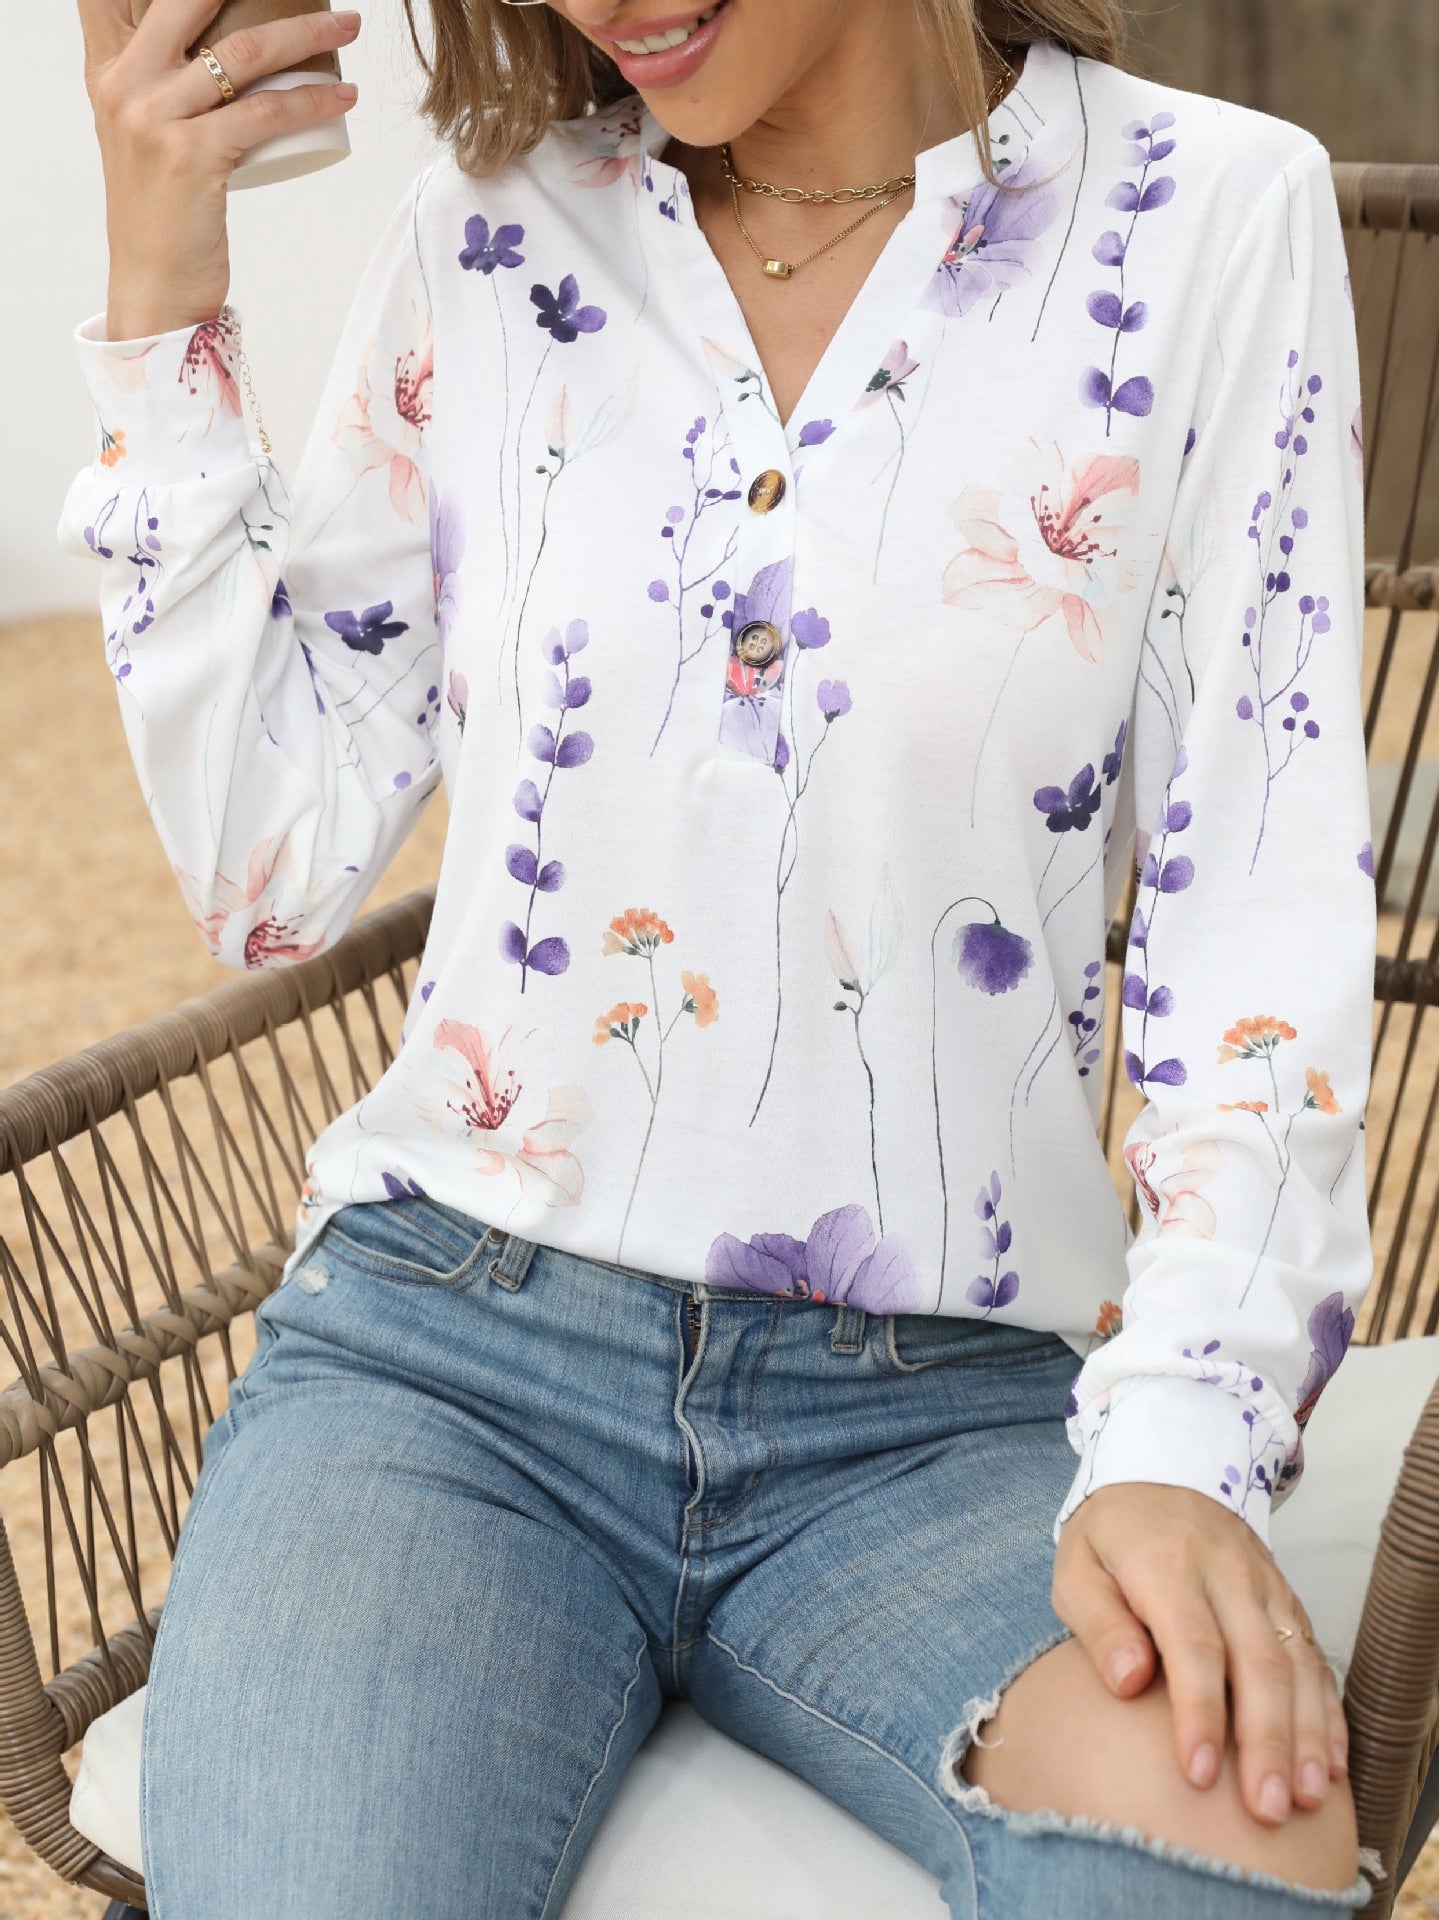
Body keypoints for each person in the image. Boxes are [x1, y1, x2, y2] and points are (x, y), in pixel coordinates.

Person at [61, 0, 1380, 1913]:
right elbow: (269, 872)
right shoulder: (493, 230)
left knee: (1210, 1853)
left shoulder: (1213, 220)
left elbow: (1255, 898)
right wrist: (163, 276)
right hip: (451, 1373)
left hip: (950, 1409)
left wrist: (1191, 1427)